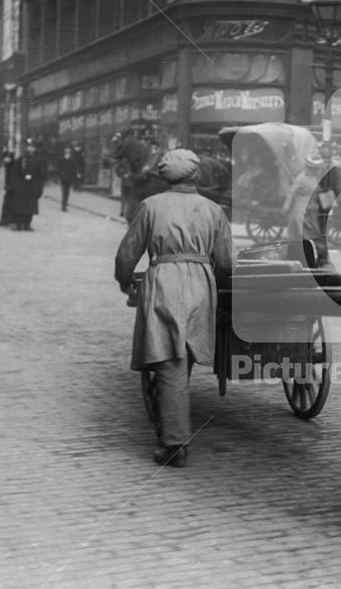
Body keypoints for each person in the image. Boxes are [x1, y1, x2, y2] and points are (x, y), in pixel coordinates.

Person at [114, 148, 234, 468]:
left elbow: (128, 253)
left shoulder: (151, 206)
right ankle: (173, 429)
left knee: (170, 363)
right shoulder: (213, 209)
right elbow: (225, 262)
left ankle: (175, 443)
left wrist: (124, 280)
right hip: (201, 284)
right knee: (183, 361)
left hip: (165, 281)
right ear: (196, 175)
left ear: (164, 176)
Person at [9, 140, 46, 231]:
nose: (31, 149)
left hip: (32, 187)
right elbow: (14, 173)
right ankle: (18, 224)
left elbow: (40, 175)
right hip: (21, 187)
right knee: (20, 207)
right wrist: (17, 183)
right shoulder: (21, 160)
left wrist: (39, 187)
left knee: (30, 208)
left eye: (33, 147)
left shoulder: (38, 161)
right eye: (29, 147)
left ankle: (27, 224)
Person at [57, 146, 81, 211]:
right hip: (63, 177)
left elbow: (75, 167)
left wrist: (77, 173)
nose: (67, 153)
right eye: (66, 152)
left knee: (67, 192)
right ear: (65, 152)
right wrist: (59, 177)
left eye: (68, 152)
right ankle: (63, 206)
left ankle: (65, 204)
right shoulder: (61, 159)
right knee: (64, 192)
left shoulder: (72, 159)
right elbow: (59, 168)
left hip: (69, 177)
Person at [0, 149, 16, 226]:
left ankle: (7, 221)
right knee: (8, 204)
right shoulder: (8, 165)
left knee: (9, 204)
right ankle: (6, 220)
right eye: (5, 158)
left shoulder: (13, 166)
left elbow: (13, 177)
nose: (6, 160)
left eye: (8, 158)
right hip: (10, 187)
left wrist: (10, 186)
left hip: (12, 188)